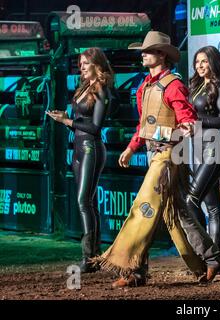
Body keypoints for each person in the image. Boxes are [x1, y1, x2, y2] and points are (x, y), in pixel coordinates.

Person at [93, 31, 220, 288]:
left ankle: (131, 268)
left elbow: (186, 116)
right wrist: (132, 148)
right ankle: (210, 260)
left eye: (148, 51)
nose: (143, 55)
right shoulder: (145, 86)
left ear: (162, 56)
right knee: (176, 213)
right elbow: (143, 125)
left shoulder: (174, 85)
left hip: (167, 155)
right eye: (143, 51)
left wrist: (186, 126)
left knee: (143, 207)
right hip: (154, 153)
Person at [47, 47, 113, 272]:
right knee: (88, 202)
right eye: (80, 63)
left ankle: (89, 257)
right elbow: (79, 119)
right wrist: (65, 117)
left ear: (97, 65)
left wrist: (68, 122)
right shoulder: (84, 87)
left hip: (90, 148)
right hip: (77, 149)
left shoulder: (102, 90)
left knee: (84, 201)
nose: (81, 67)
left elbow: (95, 127)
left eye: (86, 63)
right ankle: (95, 257)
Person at [186, 46, 220, 250]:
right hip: (197, 148)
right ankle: (214, 256)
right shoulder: (195, 87)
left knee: (190, 201)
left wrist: (196, 120)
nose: (200, 66)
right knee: (212, 207)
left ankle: (208, 253)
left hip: (213, 149)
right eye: (197, 62)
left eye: (204, 61)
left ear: (213, 62)